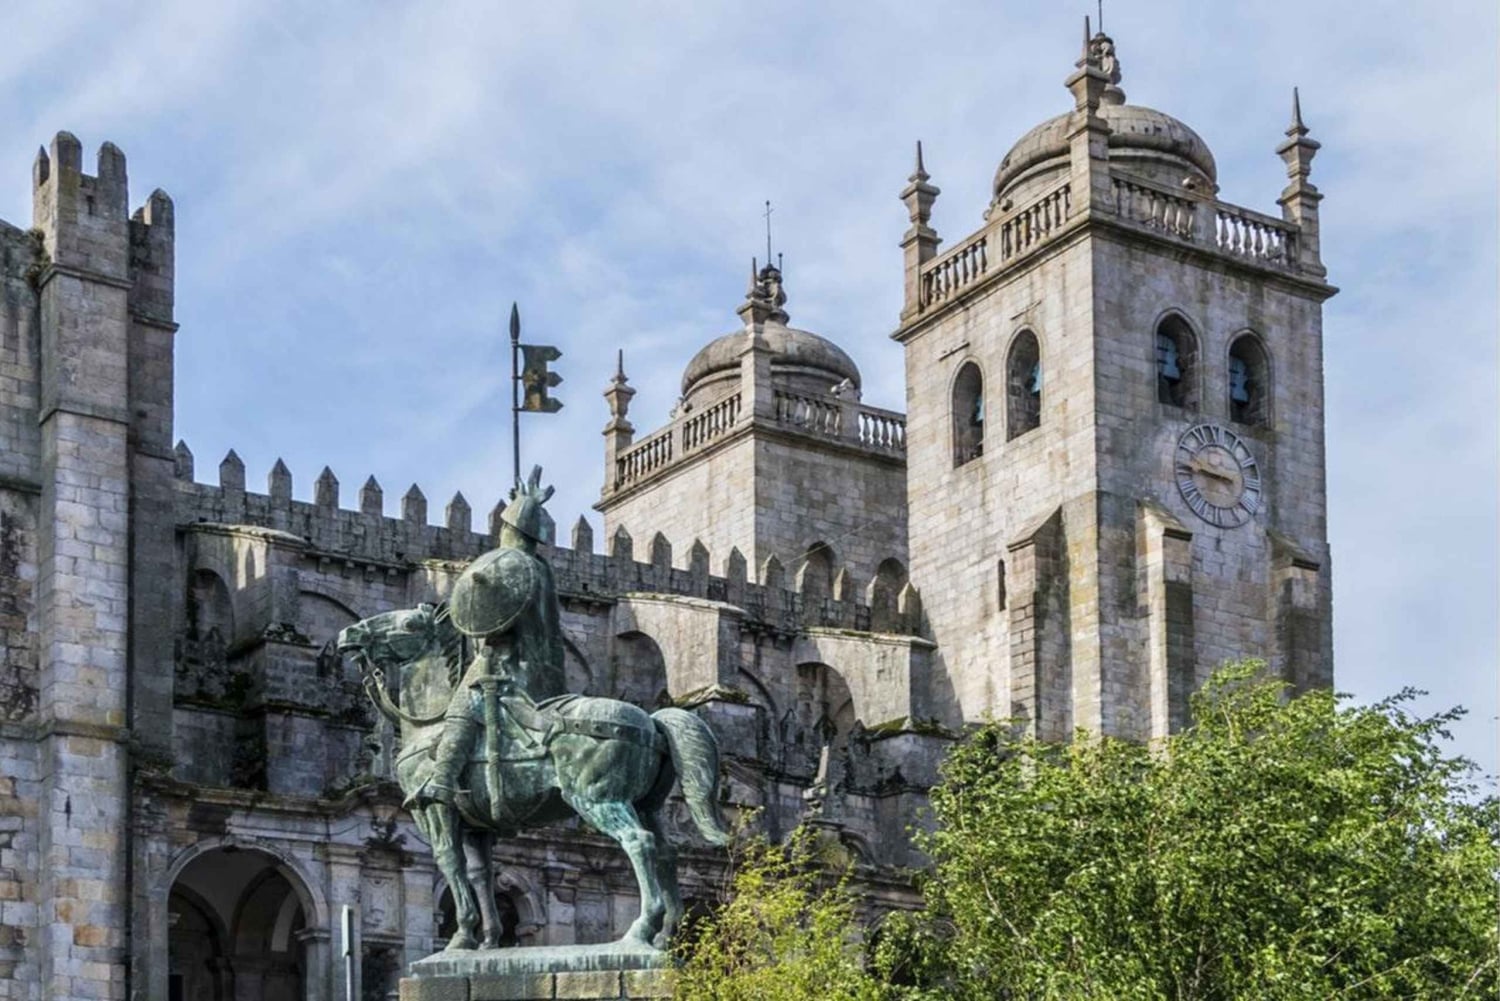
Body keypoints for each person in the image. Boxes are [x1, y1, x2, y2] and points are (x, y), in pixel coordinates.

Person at [412, 467, 565, 808]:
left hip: (506, 666)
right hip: (547, 673)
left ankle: (442, 780)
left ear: (509, 529)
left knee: (460, 711)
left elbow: (494, 622)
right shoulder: (539, 569)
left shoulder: (510, 567)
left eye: (505, 527)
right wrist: (526, 503)